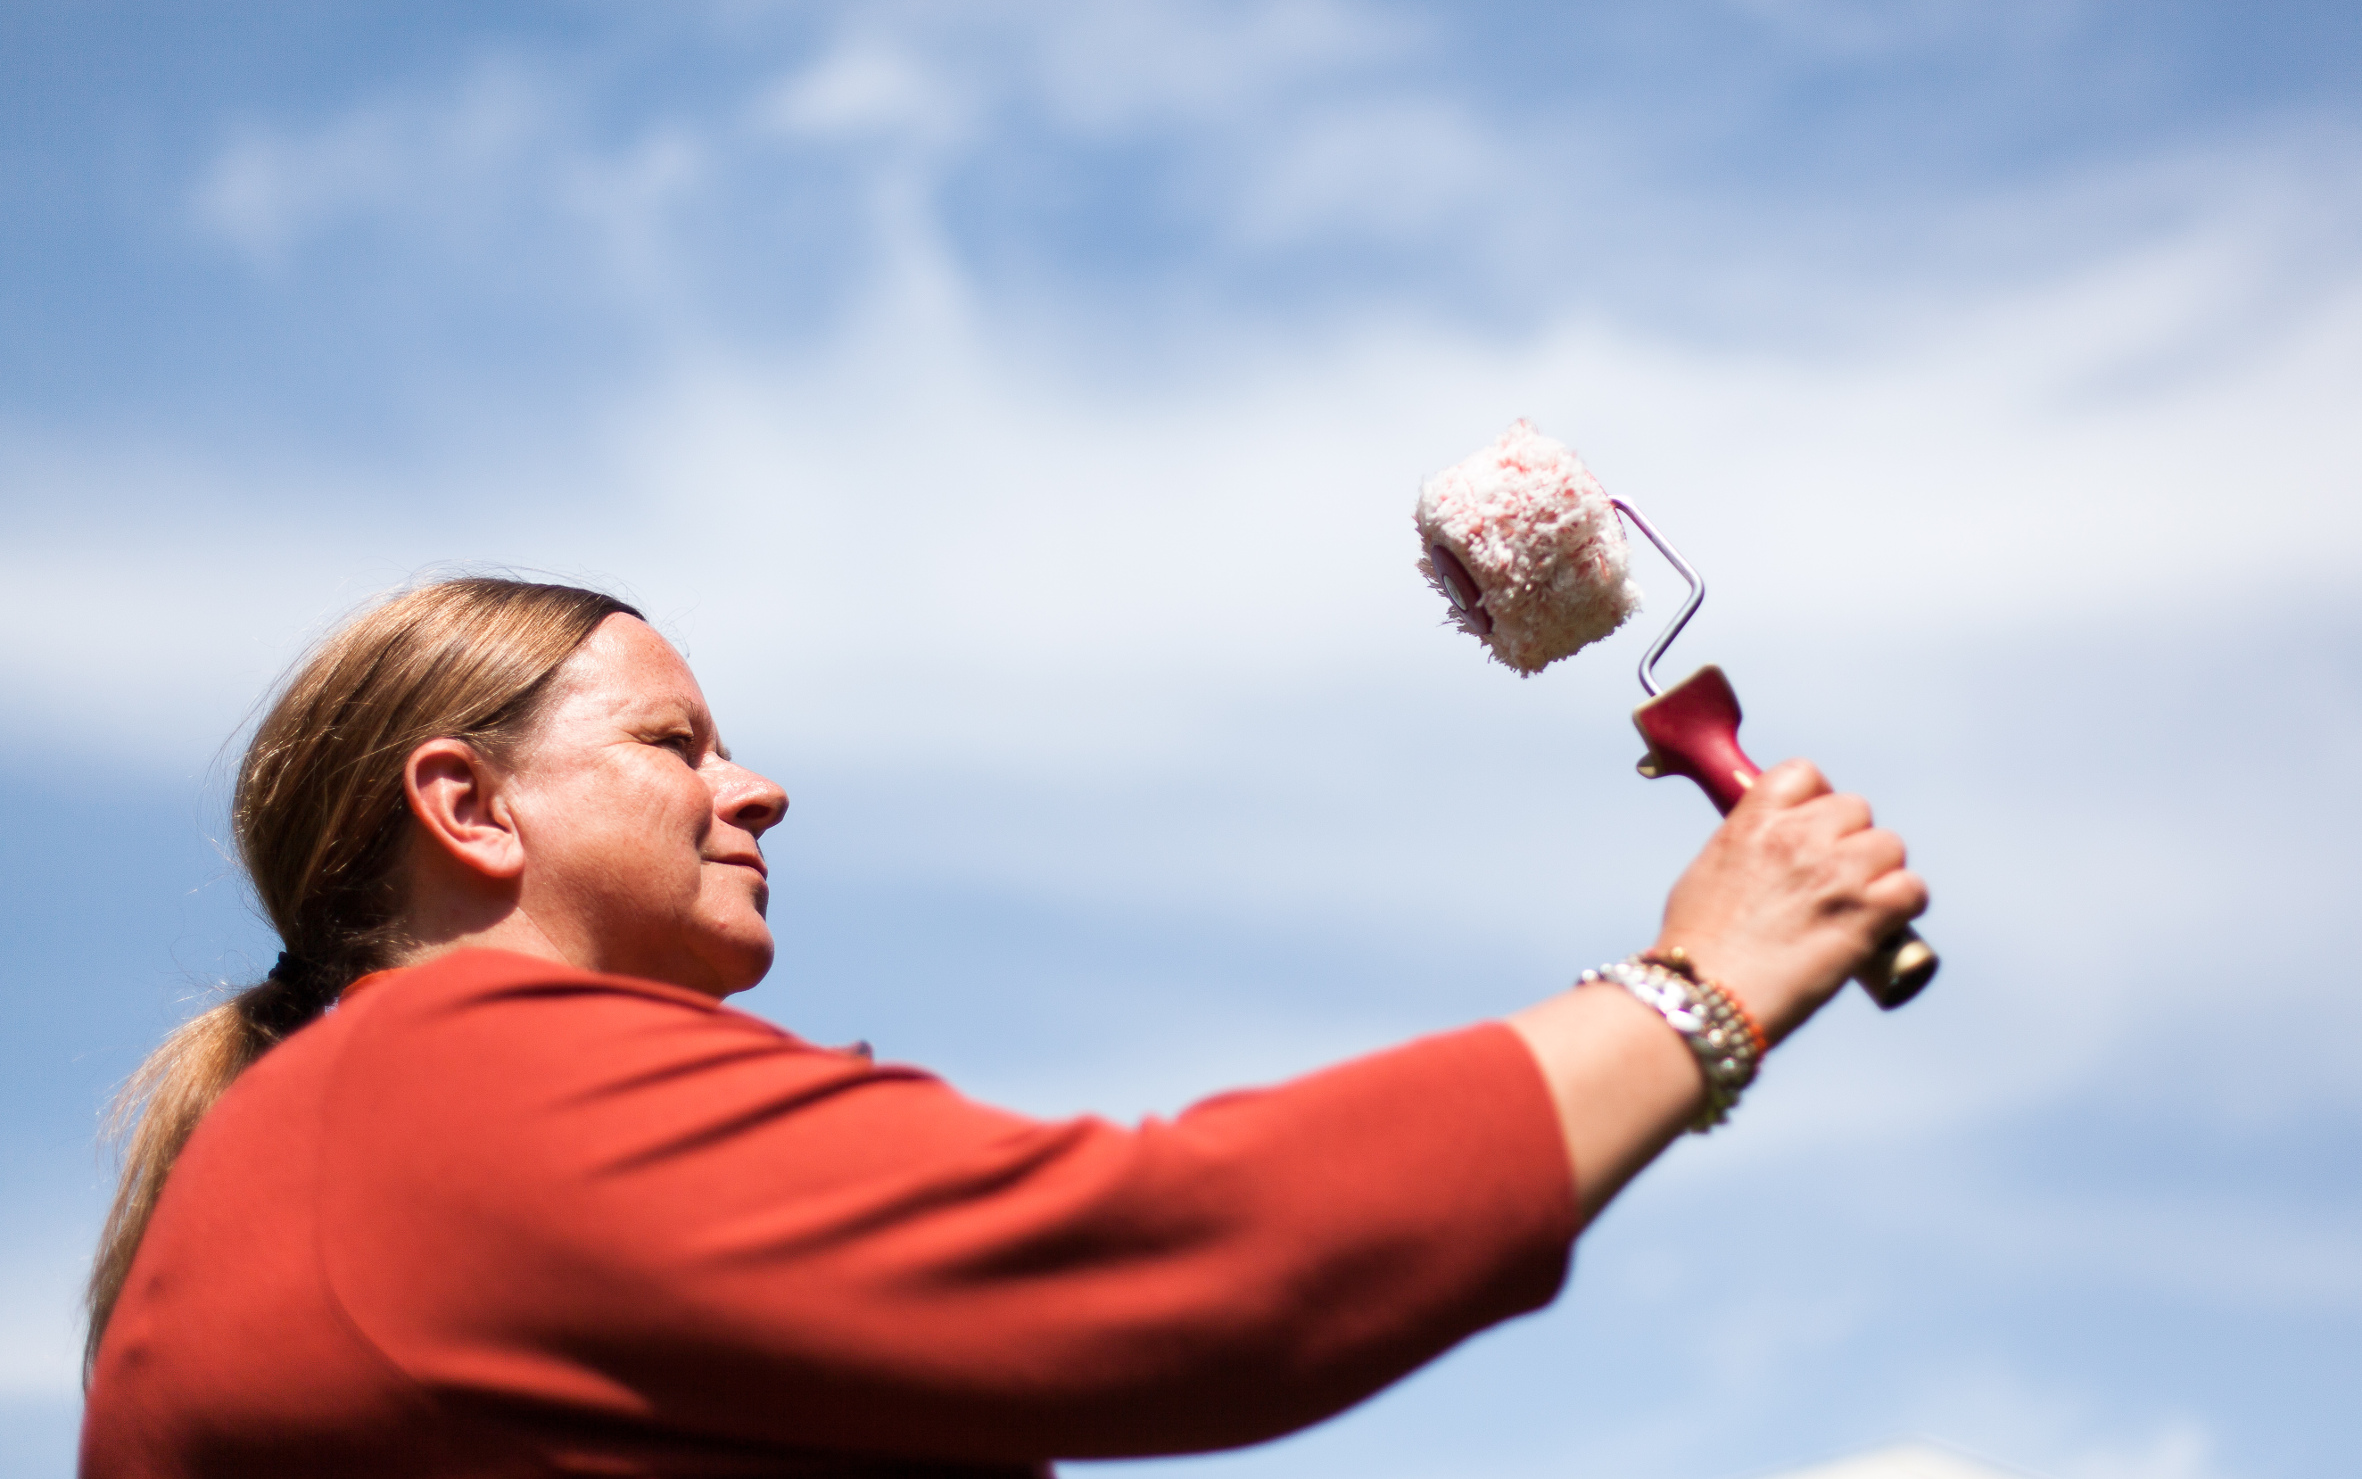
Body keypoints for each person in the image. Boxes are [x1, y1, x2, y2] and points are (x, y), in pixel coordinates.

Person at [80, 576, 1925, 1478]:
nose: (757, 787)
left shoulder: (346, 1129)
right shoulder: (442, 1090)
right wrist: (1702, 988)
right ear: (469, 808)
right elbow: (1177, 1262)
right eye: (674, 744)